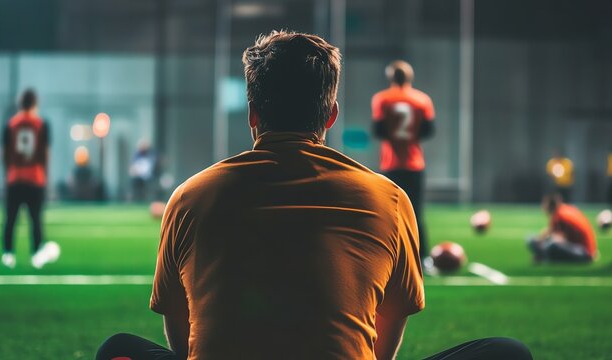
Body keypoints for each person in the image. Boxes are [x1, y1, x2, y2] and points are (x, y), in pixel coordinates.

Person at [97, 31, 531, 360]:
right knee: (508, 352)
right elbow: (388, 332)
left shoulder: (189, 196)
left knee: (116, 347)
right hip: (408, 167)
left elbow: (181, 330)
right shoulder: (389, 198)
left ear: (252, 111)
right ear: (331, 114)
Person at [371, 60, 435, 260]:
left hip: (391, 163)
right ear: (410, 77)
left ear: (390, 77)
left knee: (389, 213)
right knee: (415, 212)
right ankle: (422, 257)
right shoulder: (422, 100)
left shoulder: (382, 99)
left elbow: (379, 130)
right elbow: (428, 130)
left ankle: (387, 256)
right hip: (414, 163)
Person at [1, 89, 58, 269]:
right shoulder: (41, 124)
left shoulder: (11, 124)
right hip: (35, 177)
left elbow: (4, 153)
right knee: (36, 218)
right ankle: (36, 254)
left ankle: (8, 254)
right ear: (35, 103)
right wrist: (45, 176)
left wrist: (10, 171)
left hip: (15, 176)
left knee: (11, 218)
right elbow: (45, 154)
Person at [528, 193, 597, 263]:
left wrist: (541, 244)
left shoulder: (559, 215)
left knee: (551, 245)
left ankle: (545, 257)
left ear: (549, 205)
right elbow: (551, 231)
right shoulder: (564, 210)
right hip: (586, 250)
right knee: (545, 242)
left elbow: (559, 239)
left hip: (584, 252)